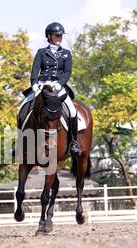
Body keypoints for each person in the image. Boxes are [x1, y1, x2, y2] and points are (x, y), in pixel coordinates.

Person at [18, 22, 82, 156]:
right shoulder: (41, 52)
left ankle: (73, 143)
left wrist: (60, 83)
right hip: (42, 85)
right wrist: (34, 84)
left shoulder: (66, 53)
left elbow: (67, 72)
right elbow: (35, 70)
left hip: (58, 86)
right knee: (22, 109)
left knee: (72, 112)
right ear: (49, 36)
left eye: (61, 36)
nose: (59, 38)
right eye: (57, 35)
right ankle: (20, 142)